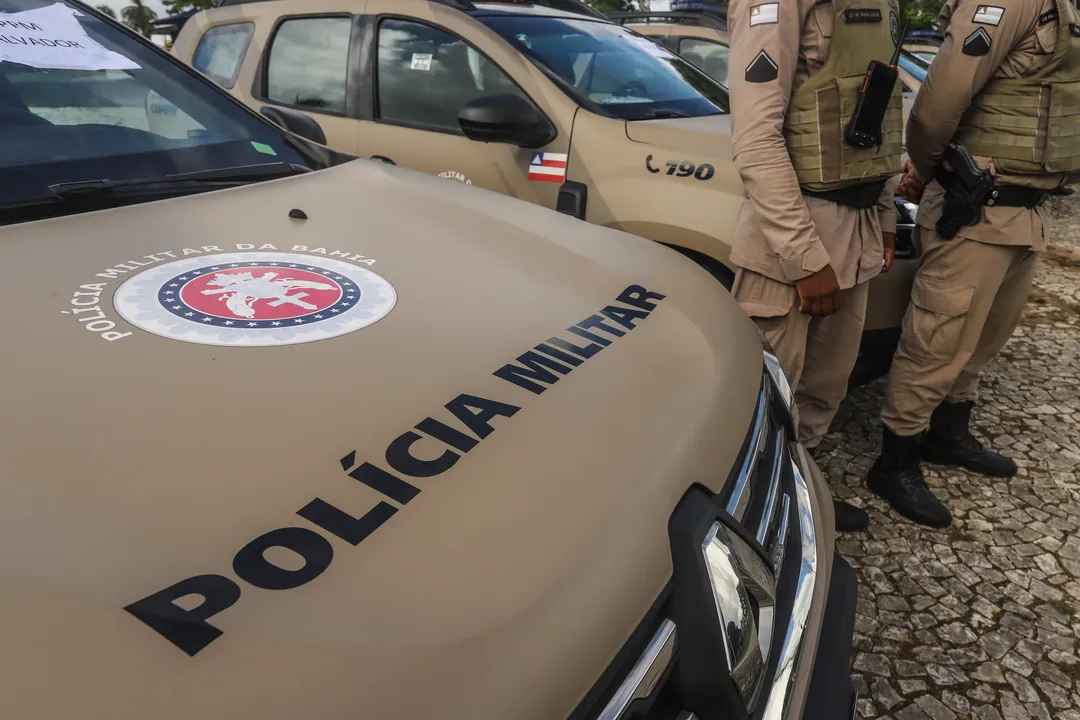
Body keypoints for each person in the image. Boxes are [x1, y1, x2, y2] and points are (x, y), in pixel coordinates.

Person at [868, 0, 1076, 527]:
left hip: (1027, 209)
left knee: (983, 337)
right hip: (976, 206)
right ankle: (895, 462)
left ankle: (948, 434)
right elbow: (939, 105)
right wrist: (929, 167)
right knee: (938, 337)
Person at [728, 0, 902, 532]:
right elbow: (756, 139)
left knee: (824, 387)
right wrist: (805, 260)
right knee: (761, 399)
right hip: (794, 236)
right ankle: (743, 526)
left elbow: (879, 111)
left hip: (859, 228)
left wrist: (887, 216)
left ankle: (798, 500)